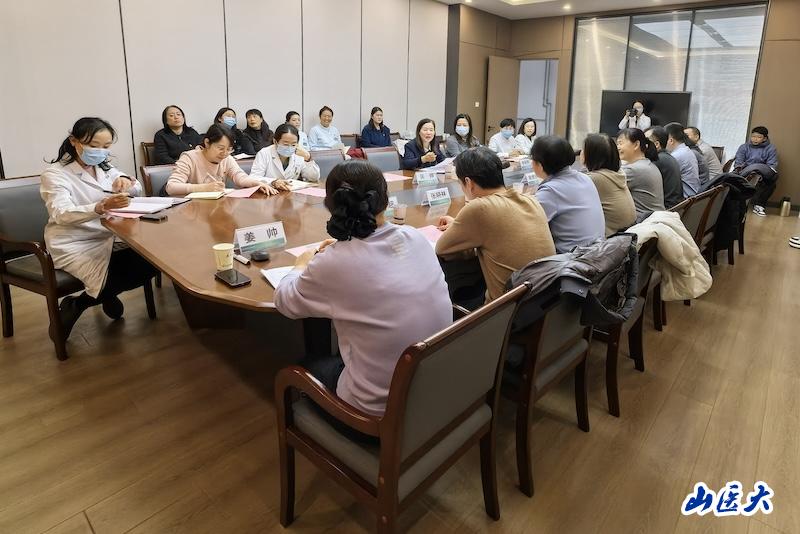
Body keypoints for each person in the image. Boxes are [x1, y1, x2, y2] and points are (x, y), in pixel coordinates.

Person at [274, 160, 452, 419]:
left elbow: (284, 301)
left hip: (376, 415)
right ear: (385, 199)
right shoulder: (414, 236)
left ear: (332, 205)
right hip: (436, 385)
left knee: (308, 364)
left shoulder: (335, 262)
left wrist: (301, 265)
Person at [39, 117, 158, 338]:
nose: (100, 152)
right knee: (111, 278)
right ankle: (77, 304)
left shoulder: (104, 167)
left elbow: (136, 188)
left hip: (111, 235)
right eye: (94, 145)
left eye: (106, 146)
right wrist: (99, 207)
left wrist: (127, 182)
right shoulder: (55, 174)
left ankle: (91, 299)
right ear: (74, 141)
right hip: (75, 242)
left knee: (155, 261)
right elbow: (61, 213)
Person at [435, 147, 555, 301]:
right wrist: (460, 227)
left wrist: (463, 233)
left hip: (506, 310)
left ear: (468, 183)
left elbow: (442, 249)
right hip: (545, 300)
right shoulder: (530, 200)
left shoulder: (479, 207)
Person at [531, 135, 605, 253]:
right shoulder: (584, 178)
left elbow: (527, 223)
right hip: (598, 253)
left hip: (572, 260)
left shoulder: (551, 191)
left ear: (539, 165)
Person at [165, 124, 278, 196]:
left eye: (229, 149)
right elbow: (171, 187)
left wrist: (257, 183)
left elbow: (239, 177)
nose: (224, 153)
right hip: (191, 210)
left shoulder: (226, 158)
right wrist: (203, 188)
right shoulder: (189, 158)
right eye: (220, 148)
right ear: (207, 143)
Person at [582, 133, 636, 236]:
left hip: (609, 238)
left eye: (584, 150)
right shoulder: (617, 173)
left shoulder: (594, 179)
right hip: (625, 235)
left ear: (590, 155)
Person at [250, 123, 320, 186]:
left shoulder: (299, 154)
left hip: (292, 193)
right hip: (269, 192)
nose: (289, 147)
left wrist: (308, 158)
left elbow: (313, 178)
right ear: (275, 141)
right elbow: (254, 178)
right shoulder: (264, 153)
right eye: (285, 144)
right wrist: (273, 182)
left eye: (293, 144)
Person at [617, 128, 665, 219]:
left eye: (621, 143)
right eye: (617, 144)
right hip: (654, 220)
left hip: (642, 223)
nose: (618, 147)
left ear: (636, 145)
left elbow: (607, 187)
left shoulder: (633, 170)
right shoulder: (648, 164)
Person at [734, 126, 779, 216]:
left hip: (763, 172)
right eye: (753, 136)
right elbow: (738, 163)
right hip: (746, 171)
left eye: (759, 137)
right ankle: (736, 205)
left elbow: (771, 165)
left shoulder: (771, 148)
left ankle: (759, 205)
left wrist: (760, 173)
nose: (755, 139)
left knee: (773, 178)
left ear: (765, 138)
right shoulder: (744, 147)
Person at [645, 126, 684, 209]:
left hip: (666, 209)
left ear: (656, 144)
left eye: (645, 141)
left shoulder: (657, 160)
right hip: (676, 206)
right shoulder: (666, 156)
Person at [664, 122, 701, 198]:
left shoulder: (677, 155)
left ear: (671, 140)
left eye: (664, 140)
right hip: (692, 196)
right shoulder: (686, 150)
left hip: (685, 199)